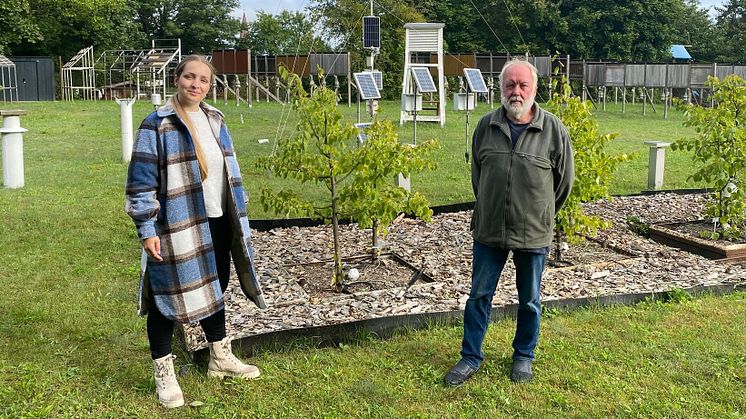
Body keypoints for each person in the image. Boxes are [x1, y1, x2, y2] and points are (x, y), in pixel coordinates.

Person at [125, 55, 267, 408]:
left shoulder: (215, 119)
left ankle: (219, 357)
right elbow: (141, 181)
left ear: (209, 85)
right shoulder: (156, 124)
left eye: (203, 80)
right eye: (190, 77)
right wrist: (147, 228)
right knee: (165, 296)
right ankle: (164, 374)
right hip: (176, 225)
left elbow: (228, 172)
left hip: (218, 221)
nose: (196, 85)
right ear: (178, 79)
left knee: (216, 288)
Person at [444, 59, 574, 386]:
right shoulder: (486, 126)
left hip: (533, 233)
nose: (516, 91)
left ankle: (523, 356)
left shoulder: (553, 130)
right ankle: (470, 356)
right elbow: (479, 176)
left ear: (534, 89)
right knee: (478, 296)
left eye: (522, 85)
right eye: (510, 85)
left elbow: (564, 184)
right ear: (501, 88)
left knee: (529, 300)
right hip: (488, 231)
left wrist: (538, 213)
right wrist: (493, 206)